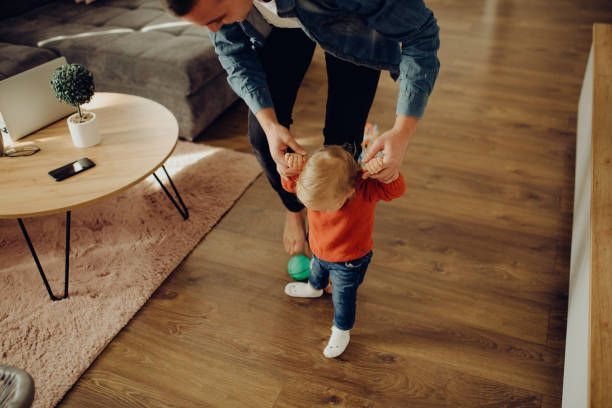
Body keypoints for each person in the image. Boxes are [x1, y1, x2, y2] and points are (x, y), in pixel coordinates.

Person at [162, 0, 439, 256]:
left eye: (217, 17)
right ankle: (295, 208)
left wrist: (402, 132)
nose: (212, 29)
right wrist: (271, 125)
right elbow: (231, 50)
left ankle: (334, 228)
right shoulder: (216, 8)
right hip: (280, 28)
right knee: (262, 137)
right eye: (205, 23)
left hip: (353, 27)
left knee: (343, 142)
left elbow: (421, 32)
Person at [281, 146, 406, 357]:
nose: (318, 211)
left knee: (342, 298)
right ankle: (314, 288)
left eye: (324, 207)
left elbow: (396, 189)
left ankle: (341, 329)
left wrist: (388, 173)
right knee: (316, 272)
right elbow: (289, 184)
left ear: (349, 192)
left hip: (349, 261)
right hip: (319, 250)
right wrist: (291, 169)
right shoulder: (315, 183)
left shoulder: (365, 188)